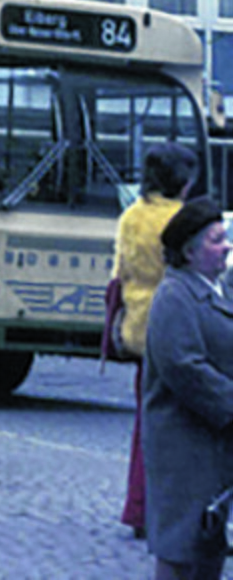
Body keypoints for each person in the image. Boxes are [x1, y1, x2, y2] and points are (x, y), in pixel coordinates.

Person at [142, 195, 233, 580]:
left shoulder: (216, 289)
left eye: (226, 236)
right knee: (181, 547)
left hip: (212, 443)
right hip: (184, 444)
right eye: (216, 240)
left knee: (208, 543)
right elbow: (184, 367)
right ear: (189, 252)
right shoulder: (175, 296)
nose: (226, 245)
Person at [116, 142, 201, 538]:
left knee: (145, 422)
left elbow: (120, 273)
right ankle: (164, 511)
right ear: (182, 180)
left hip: (138, 328)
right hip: (176, 328)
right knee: (177, 429)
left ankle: (138, 507)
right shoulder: (184, 220)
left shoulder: (131, 216)